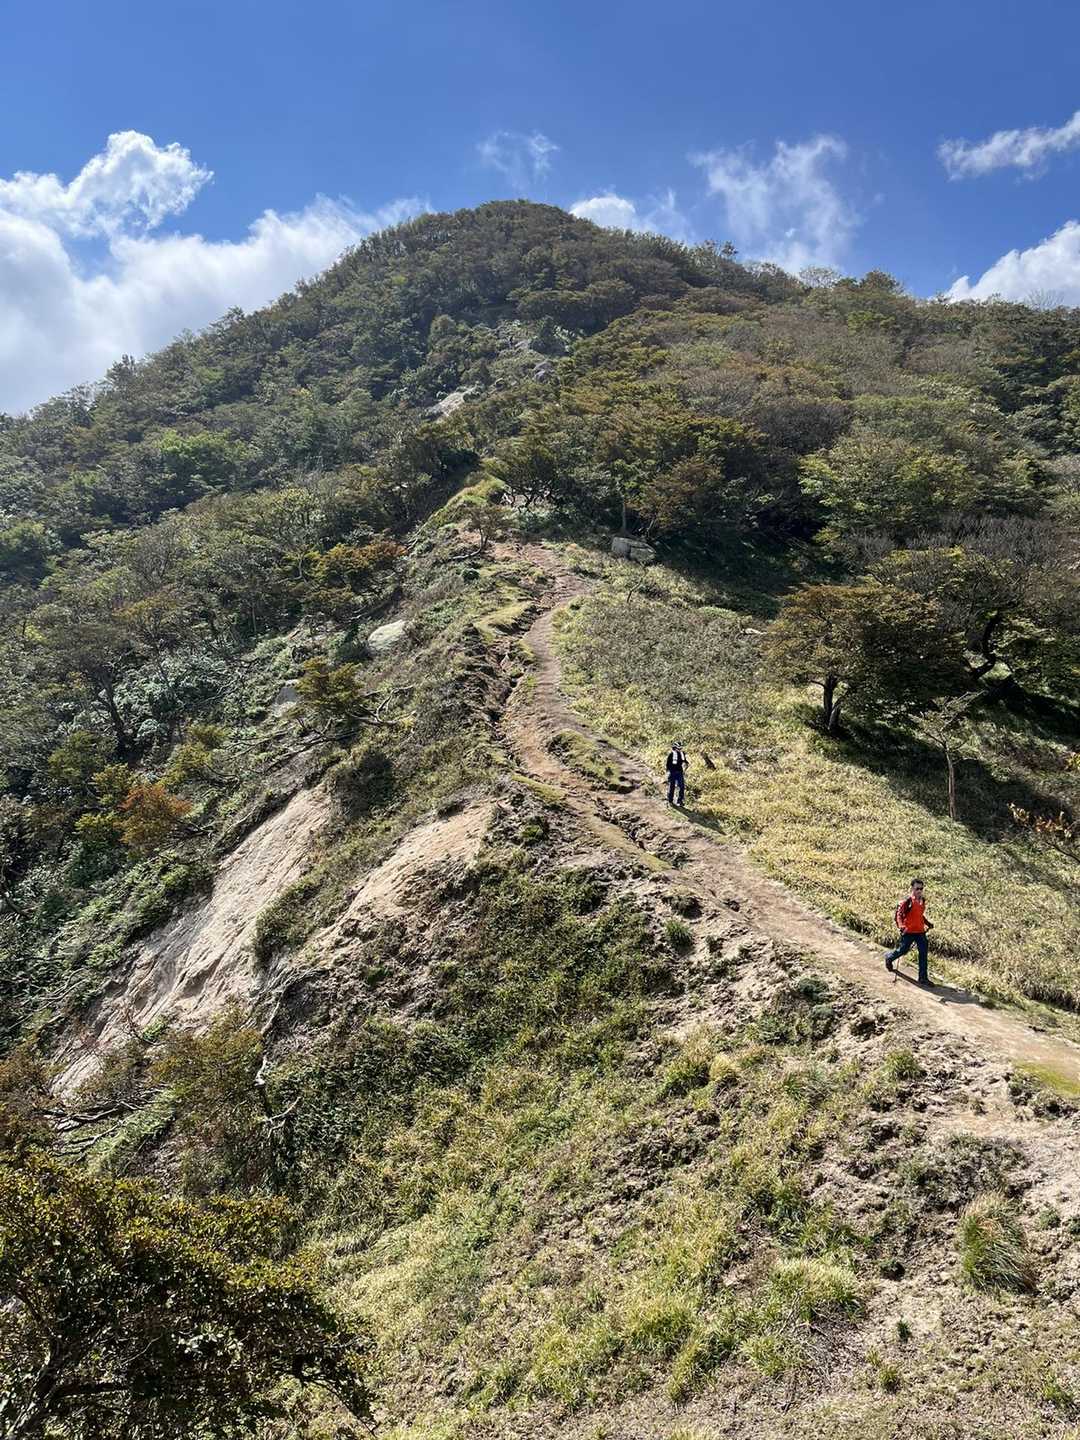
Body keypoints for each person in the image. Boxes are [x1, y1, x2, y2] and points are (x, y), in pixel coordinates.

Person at [885, 877, 933, 986]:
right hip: (908, 931)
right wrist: (901, 926)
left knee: (923, 953)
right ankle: (889, 957)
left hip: (920, 932)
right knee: (903, 950)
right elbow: (899, 915)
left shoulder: (922, 900)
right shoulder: (907, 901)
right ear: (912, 888)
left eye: (921, 888)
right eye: (917, 889)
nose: (919, 891)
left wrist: (928, 923)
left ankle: (923, 978)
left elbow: (919, 915)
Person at [665, 741, 687, 807]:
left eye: (680, 748)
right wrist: (668, 772)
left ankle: (680, 801)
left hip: (680, 772)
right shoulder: (671, 754)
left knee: (681, 786)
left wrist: (686, 764)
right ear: (675, 747)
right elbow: (667, 764)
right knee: (672, 786)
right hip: (672, 772)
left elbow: (684, 761)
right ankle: (670, 800)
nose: (680, 749)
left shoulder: (682, 754)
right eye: (678, 748)